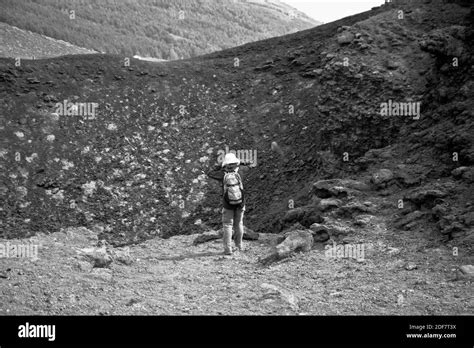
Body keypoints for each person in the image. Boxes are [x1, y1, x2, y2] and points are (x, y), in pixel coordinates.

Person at [207, 153, 251, 255]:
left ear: (225, 164)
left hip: (227, 204)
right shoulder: (241, 171)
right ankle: (239, 246)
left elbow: (209, 172)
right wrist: (241, 162)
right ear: (236, 162)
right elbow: (250, 164)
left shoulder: (222, 175)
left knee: (227, 225)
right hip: (240, 202)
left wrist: (220, 166)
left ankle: (228, 249)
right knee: (239, 223)